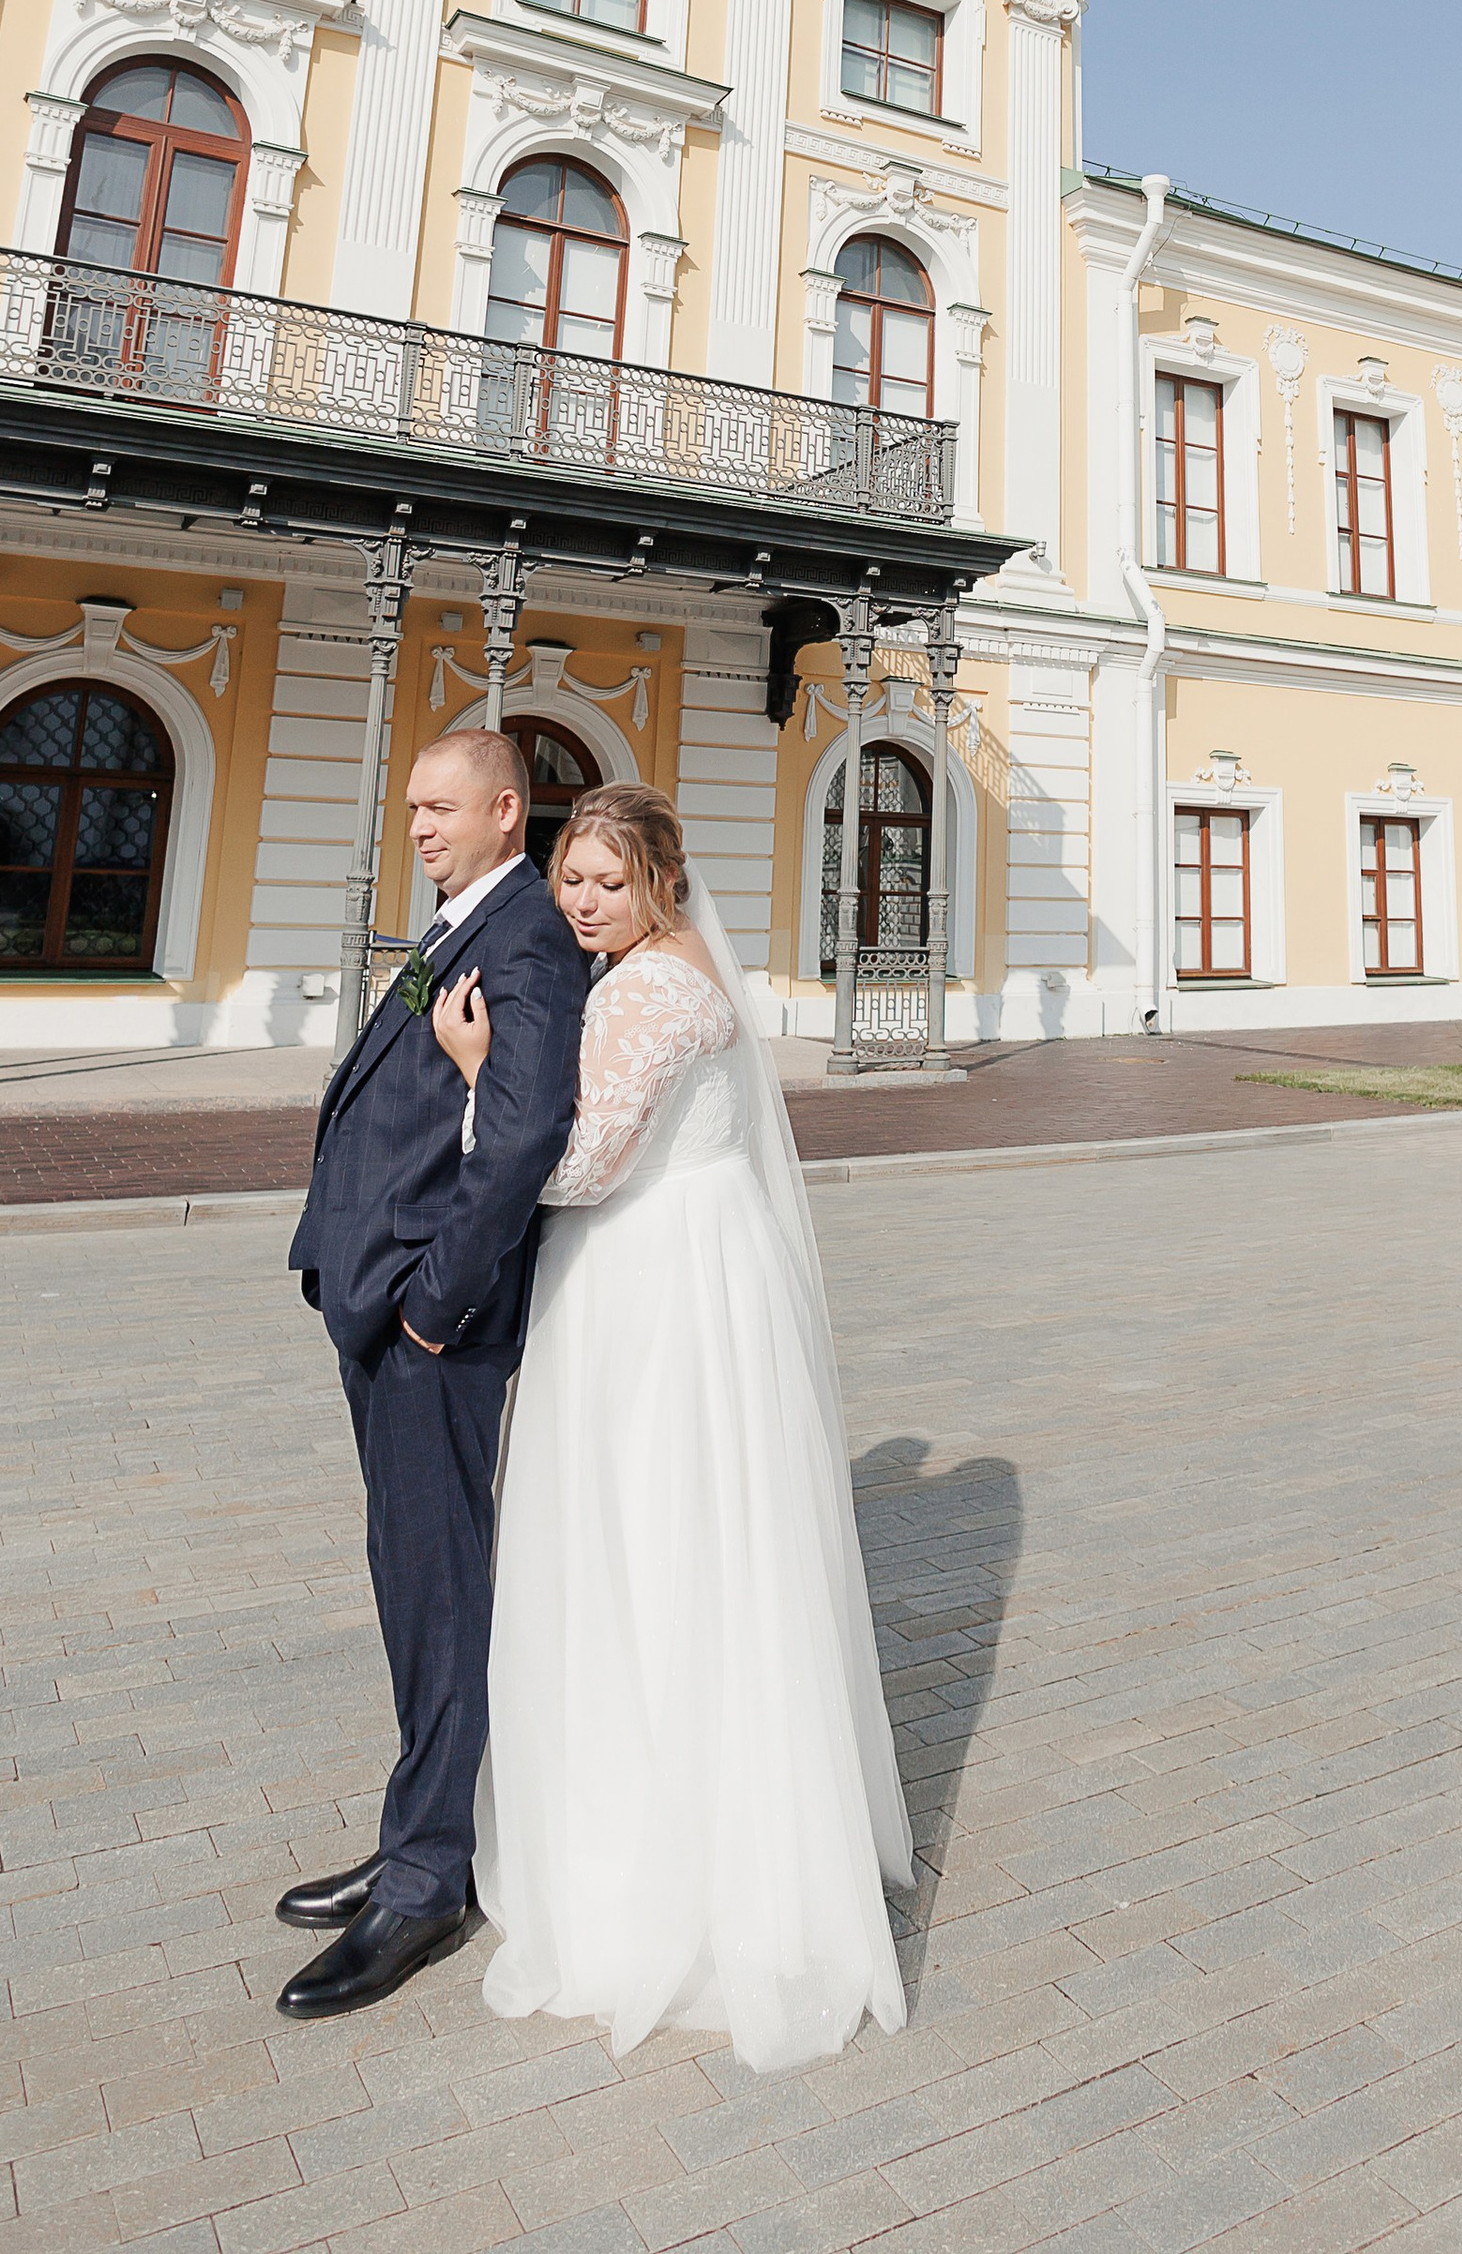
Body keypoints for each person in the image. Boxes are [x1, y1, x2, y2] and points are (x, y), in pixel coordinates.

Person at [434, 781, 913, 2072]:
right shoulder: (686, 964)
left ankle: (652, 1869)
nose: (581, 902)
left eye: (604, 881)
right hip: (709, 1269)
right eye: (570, 879)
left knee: (641, 1550)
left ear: (659, 879)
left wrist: (484, 1080)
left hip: (648, 1288)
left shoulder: (647, 990)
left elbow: (585, 1165)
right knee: (715, 1547)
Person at [277, 727, 594, 2023]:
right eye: (410, 803)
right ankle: (424, 1816)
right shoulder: (466, 919)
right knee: (410, 1581)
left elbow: (519, 1133)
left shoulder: (521, 935)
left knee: (438, 1587)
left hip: (430, 1332)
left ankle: (428, 1877)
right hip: (377, 1302)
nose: (415, 824)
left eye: (439, 805)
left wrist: (432, 1309)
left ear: (506, 811)